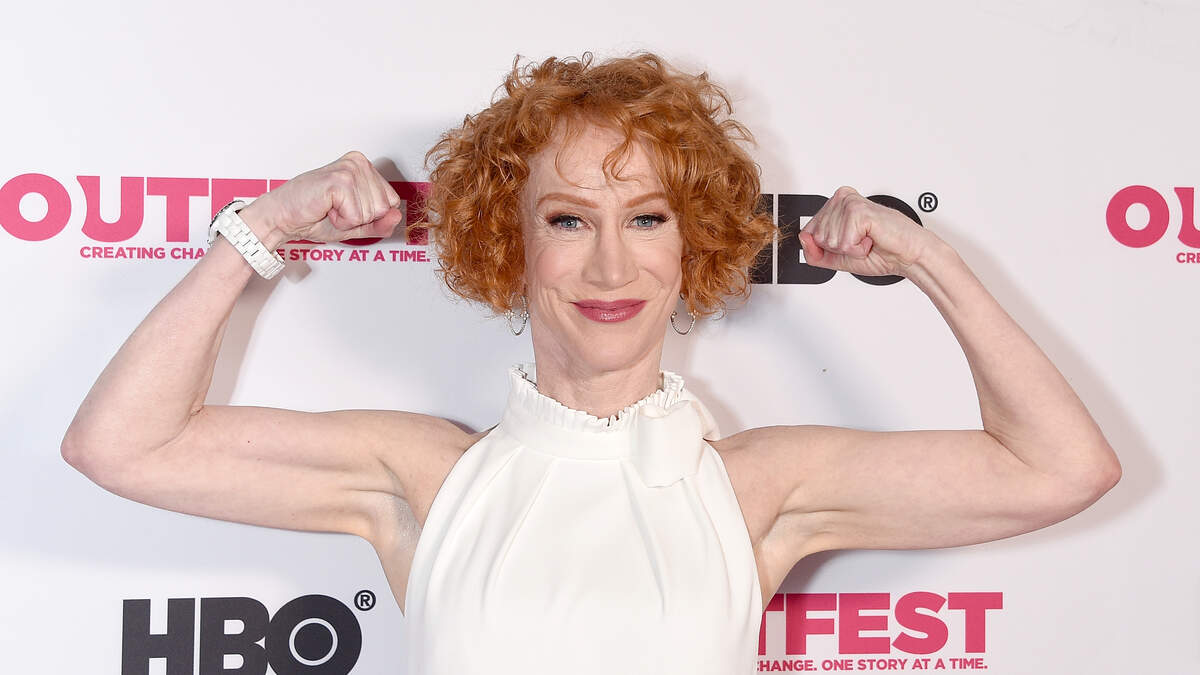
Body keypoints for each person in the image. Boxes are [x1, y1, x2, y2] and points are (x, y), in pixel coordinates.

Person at [60, 52, 1121, 674]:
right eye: (568, 219)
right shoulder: (426, 480)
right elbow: (122, 446)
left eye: (647, 217)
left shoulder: (756, 489)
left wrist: (929, 259)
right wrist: (263, 227)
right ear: (508, 243)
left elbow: (1061, 468)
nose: (612, 264)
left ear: (691, 241)